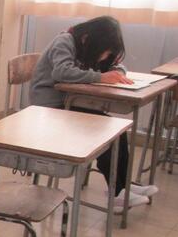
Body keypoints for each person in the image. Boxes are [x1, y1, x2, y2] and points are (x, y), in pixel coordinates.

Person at [29, 15, 158, 212]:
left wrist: (117, 72)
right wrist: (100, 77)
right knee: (105, 131)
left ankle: (123, 186)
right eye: (105, 51)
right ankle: (117, 193)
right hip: (49, 108)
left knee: (118, 131)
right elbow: (62, 72)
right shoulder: (65, 41)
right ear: (92, 40)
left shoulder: (85, 47)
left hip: (68, 102)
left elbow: (118, 65)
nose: (105, 57)